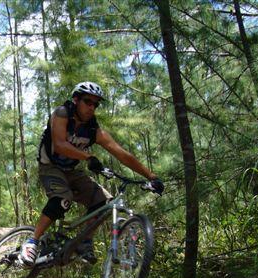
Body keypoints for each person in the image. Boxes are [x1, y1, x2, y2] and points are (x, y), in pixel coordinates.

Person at [20, 81, 164, 266]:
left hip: (71, 171)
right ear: (76, 99)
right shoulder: (62, 113)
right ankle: (32, 241)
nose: (91, 107)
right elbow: (59, 144)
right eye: (87, 102)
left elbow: (122, 154)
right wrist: (88, 157)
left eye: (95, 104)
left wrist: (151, 176)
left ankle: (83, 242)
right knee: (63, 199)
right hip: (50, 167)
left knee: (102, 202)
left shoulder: (94, 131)